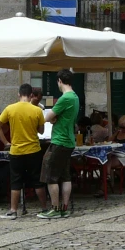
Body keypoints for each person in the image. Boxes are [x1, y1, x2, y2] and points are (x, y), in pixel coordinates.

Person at [0, 83, 48, 219]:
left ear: (19, 94)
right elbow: (41, 131)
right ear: (31, 95)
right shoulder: (36, 110)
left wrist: (6, 142)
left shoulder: (10, 109)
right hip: (34, 149)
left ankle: (13, 210)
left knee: (16, 181)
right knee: (37, 180)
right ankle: (44, 208)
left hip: (16, 150)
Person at [38, 69, 79, 219]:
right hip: (69, 140)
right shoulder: (75, 97)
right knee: (65, 175)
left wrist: (52, 118)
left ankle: (55, 208)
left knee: (50, 174)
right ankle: (64, 208)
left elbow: (48, 117)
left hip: (59, 140)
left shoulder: (65, 98)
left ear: (60, 81)